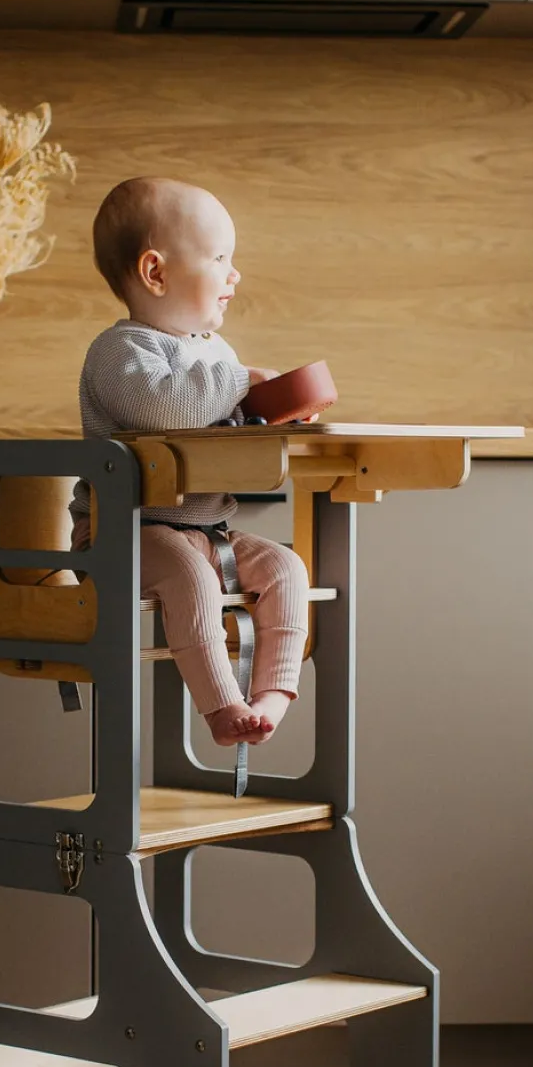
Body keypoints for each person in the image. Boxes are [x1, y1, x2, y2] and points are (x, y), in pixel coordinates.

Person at [72, 177, 309, 747]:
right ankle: (223, 706)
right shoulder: (120, 352)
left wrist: (266, 415)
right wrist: (239, 380)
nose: (235, 274)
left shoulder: (214, 352)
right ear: (155, 272)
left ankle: (274, 692)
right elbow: (168, 408)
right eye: (220, 258)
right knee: (190, 578)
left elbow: (215, 421)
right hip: (122, 533)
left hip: (207, 529)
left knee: (286, 567)